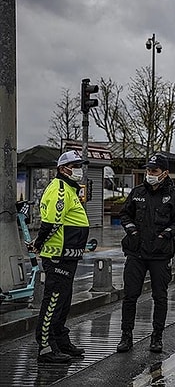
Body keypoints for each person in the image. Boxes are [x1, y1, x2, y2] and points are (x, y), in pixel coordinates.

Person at [116, 154, 175, 354]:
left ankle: (156, 337)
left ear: (164, 173)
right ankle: (126, 336)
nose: (150, 174)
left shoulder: (174, 196)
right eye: (148, 170)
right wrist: (131, 230)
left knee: (160, 297)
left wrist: (167, 234)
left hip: (160, 255)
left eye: (154, 171)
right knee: (130, 296)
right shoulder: (137, 192)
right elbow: (124, 214)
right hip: (136, 253)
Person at [30, 150, 90, 363]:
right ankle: (46, 347)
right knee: (54, 300)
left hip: (68, 255)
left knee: (63, 301)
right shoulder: (60, 190)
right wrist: (38, 244)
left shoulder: (70, 190)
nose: (78, 170)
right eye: (75, 166)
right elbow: (52, 224)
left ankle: (61, 340)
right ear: (63, 169)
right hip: (57, 256)